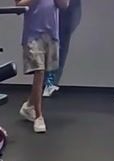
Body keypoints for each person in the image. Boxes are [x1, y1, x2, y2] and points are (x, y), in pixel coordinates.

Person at [17, 0, 71, 133]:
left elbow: (64, 5)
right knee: (39, 71)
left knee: (43, 73)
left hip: (51, 33)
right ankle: (38, 116)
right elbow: (19, 5)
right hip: (33, 34)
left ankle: (29, 105)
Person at [43, 0, 83, 97]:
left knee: (60, 44)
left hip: (68, 7)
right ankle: (47, 82)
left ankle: (49, 82)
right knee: (52, 44)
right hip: (50, 6)